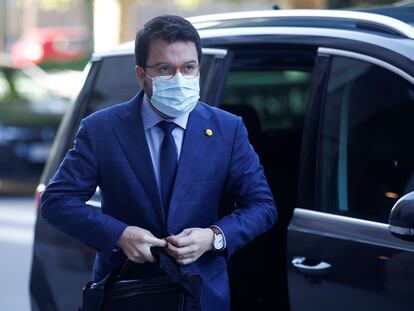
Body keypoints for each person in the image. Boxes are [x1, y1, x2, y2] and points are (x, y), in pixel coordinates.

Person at [40, 15, 277, 311]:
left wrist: (213, 236)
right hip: (125, 291)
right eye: (165, 69)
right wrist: (119, 235)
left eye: (188, 68)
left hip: (200, 295)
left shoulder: (227, 129)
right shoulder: (101, 129)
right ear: (141, 75)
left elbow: (262, 206)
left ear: (198, 69)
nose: (179, 79)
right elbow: (57, 201)